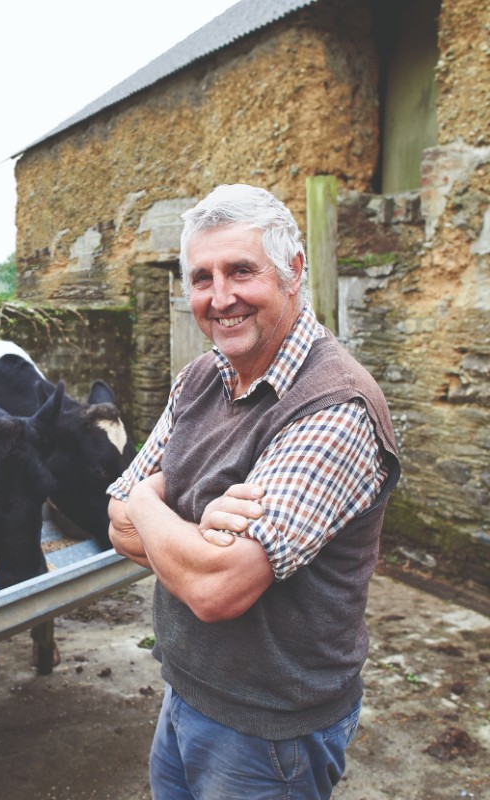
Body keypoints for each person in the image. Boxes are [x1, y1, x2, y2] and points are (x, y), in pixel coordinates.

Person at [107, 184, 400, 800]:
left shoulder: (334, 405)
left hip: (272, 733)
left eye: (242, 271)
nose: (220, 298)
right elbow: (115, 525)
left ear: (294, 272)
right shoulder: (199, 378)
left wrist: (147, 500)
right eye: (202, 278)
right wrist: (183, 526)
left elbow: (217, 588)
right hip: (186, 689)